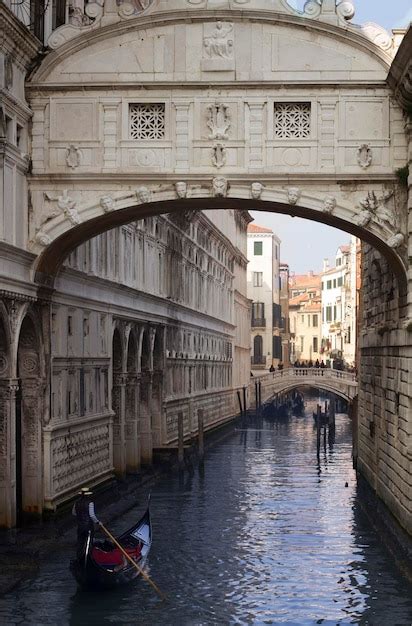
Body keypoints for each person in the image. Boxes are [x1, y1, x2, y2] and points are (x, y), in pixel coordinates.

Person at [72, 487, 100, 558]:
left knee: (80, 542)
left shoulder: (76, 503)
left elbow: (74, 513)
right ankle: (88, 558)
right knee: (88, 542)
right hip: (88, 526)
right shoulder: (90, 503)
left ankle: (79, 558)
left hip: (80, 526)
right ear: (88, 495)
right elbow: (92, 515)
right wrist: (97, 522)